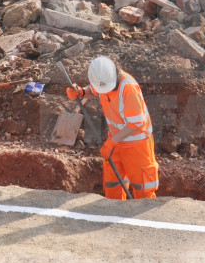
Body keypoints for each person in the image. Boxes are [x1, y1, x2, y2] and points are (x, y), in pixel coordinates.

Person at [67, 56, 158, 200]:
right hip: (116, 142)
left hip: (137, 145)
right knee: (113, 185)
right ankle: (114, 215)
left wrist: (112, 142)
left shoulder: (128, 88)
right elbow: (95, 90)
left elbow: (136, 124)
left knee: (143, 190)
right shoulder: (105, 80)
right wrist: (82, 92)